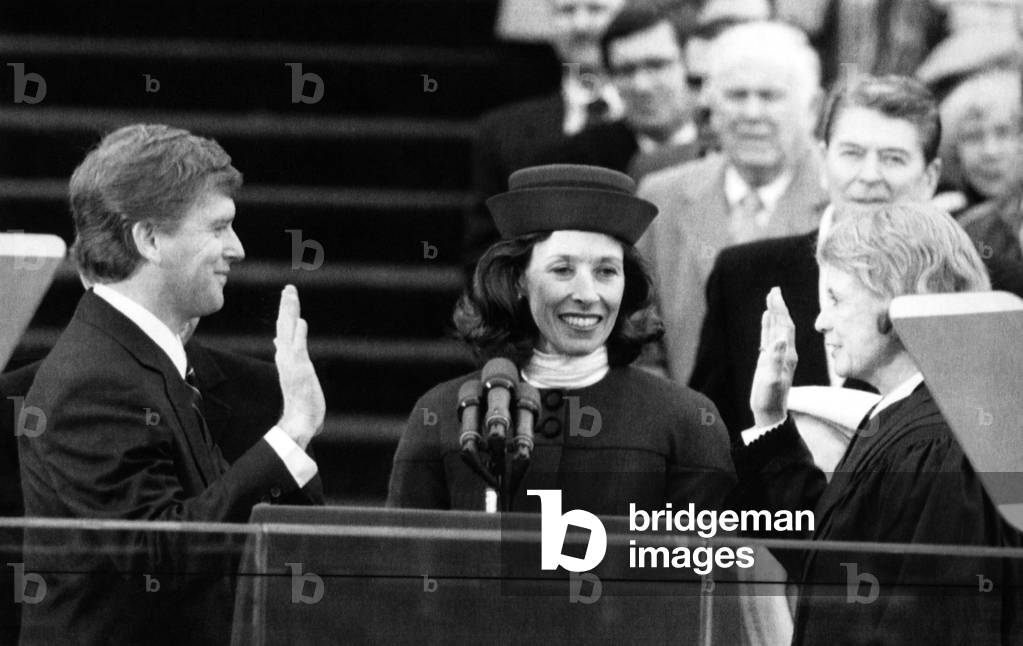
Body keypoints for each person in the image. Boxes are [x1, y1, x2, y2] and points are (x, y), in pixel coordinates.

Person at [17, 124, 326, 646]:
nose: (237, 248)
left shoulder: (139, 360)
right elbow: (159, 561)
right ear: (150, 239)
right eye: (218, 227)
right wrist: (291, 431)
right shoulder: (95, 381)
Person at [735, 201, 1022, 645]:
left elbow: (937, 627)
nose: (819, 322)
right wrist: (770, 420)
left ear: (899, 300)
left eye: (836, 299)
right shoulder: (913, 419)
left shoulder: (939, 444)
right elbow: (836, 570)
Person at [388, 164, 735, 515]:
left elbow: (704, 548)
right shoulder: (444, 415)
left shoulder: (685, 423)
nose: (587, 294)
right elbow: (404, 547)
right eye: (563, 270)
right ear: (519, 280)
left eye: (606, 271)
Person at [637, 20, 827, 384]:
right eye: (737, 95)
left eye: (770, 96)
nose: (752, 113)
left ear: (812, 107)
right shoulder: (661, 198)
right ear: (710, 103)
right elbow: (639, 338)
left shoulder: (840, 199)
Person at [462, 0, 626, 272]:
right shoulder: (502, 133)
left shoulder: (653, 124)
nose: (581, 25)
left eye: (596, 9)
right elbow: (484, 256)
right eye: (567, 11)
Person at [536, 5, 708, 182]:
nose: (641, 86)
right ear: (610, 77)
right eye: (626, 71)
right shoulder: (576, 166)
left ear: (690, 63)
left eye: (657, 65)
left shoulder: (721, 144)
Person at [934, 69, 1023, 219]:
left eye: (1003, 133)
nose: (990, 152)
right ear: (954, 150)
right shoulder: (945, 216)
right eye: (973, 137)